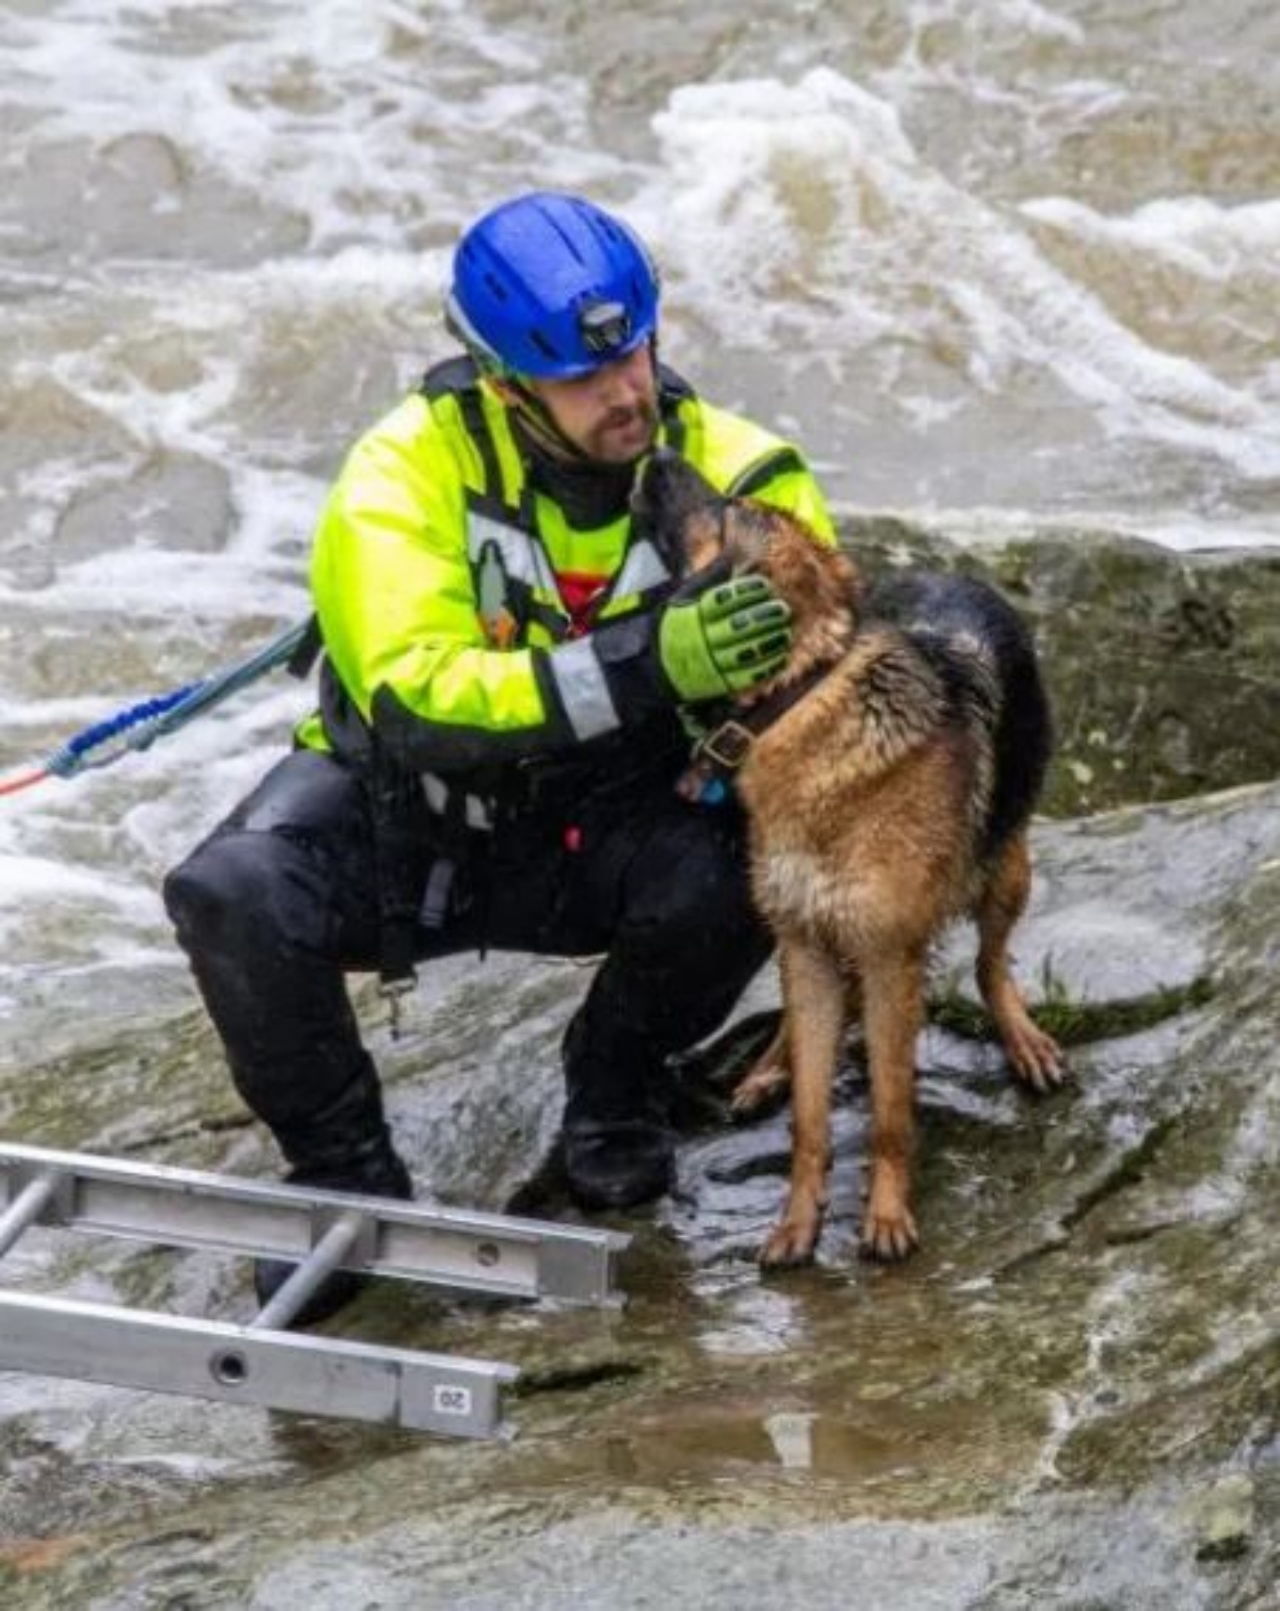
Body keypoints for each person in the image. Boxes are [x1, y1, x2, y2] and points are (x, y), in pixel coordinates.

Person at [164, 191, 835, 1323]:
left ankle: (616, 1091)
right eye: (583, 378)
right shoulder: (399, 478)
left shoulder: (744, 473)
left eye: (633, 352)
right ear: (497, 376)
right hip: (417, 823)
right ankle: (346, 1181)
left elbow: (814, 671)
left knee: (746, 863)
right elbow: (414, 700)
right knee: (230, 891)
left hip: (621, 825)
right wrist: (647, 660)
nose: (624, 391)